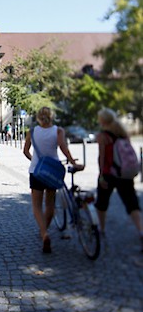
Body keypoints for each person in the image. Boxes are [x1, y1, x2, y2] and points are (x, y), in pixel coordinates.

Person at [23, 106, 82, 254]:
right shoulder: (58, 131)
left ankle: (44, 233)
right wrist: (73, 163)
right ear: (51, 116)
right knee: (50, 204)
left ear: (38, 117)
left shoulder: (32, 131)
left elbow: (25, 151)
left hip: (36, 171)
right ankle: (44, 231)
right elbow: (64, 149)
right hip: (53, 171)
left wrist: (34, 161)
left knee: (36, 205)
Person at [95, 107, 142, 252]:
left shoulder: (102, 136)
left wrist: (102, 175)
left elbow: (102, 158)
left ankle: (101, 229)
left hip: (109, 173)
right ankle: (141, 230)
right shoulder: (122, 132)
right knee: (132, 203)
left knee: (102, 203)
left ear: (102, 120)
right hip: (124, 174)